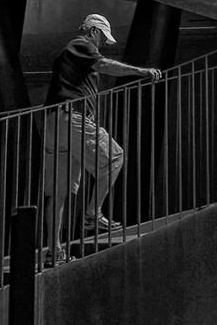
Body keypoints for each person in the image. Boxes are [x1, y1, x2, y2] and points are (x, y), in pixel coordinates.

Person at [43, 13, 163, 239]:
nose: (103, 44)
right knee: (115, 157)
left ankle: (54, 250)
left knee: (59, 192)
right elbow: (105, 65)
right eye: (103, 38)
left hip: (55, 122)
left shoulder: (67, 54)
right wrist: (142, 72)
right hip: (72, 118)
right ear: (93, 31)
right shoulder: (81, 44)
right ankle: (93, 214)